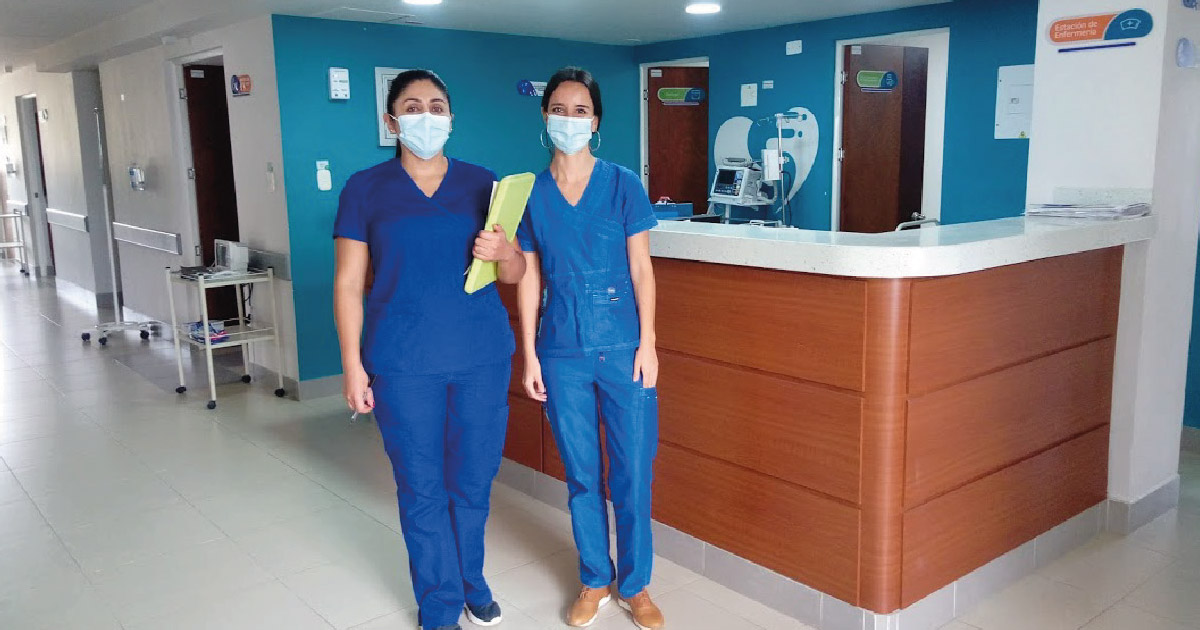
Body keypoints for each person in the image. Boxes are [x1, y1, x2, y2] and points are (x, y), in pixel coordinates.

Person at [333, 69, 525, 630]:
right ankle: (439, 602)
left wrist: (505, 252)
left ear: (451, 118)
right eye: (412, 106)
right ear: (391, 121)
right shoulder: (365, 188)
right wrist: (352, 365)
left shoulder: (484, 184)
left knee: (473, 480)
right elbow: (348, 282)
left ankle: (472, 580)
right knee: (421, 486)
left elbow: (513, 272)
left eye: (436, 106)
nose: (426, 116)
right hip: (403, 362)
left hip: (480, 356)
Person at [516, 67, 664, 630]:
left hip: (624, 348)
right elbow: (528, 276)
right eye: (559, 108)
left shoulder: (623, 184)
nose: (569, 119)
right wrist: (530, 353)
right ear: (544, 115)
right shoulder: (530, 193)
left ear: (595, 121)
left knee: (633, 474)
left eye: (580, 111)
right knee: (582, 475)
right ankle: (595, 578)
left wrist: (649, 342)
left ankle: (636, 585)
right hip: (561, 350)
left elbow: (642, 269)